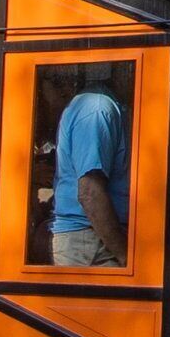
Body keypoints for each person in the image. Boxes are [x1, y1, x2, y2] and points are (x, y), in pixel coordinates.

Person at [51, 78, 128, 266]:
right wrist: (125, 255)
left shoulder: (108, 107)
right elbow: (90, 193)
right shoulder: (97, 109)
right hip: (92, 242)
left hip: (94, 239)